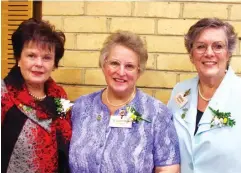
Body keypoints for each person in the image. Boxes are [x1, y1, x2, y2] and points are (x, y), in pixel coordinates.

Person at [69, 31, 180, 173]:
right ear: (103, 65)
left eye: (129, 66)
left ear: (138, 71)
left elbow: (168, 168)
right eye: (114, 63)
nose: (121, 72)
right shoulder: (81, 107)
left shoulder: (156, 113)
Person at [167, 18, 241, 173]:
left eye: (218, 46)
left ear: (228, 54)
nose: (209, 53)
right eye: (201, 46)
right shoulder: (180, 91)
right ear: (191, 55)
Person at [1, 18, 72, 173]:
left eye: (46, 57)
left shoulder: (59, 95)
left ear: (54, 64)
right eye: (31, 55)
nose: (39, 63)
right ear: (19, 59)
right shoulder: (3, 94)